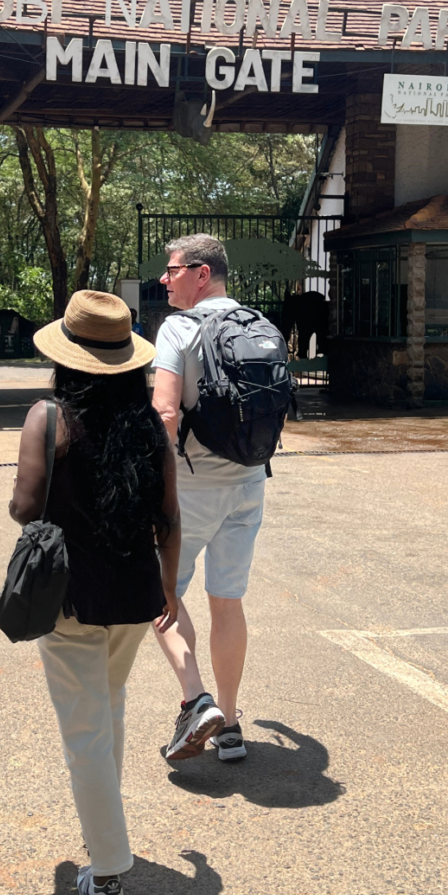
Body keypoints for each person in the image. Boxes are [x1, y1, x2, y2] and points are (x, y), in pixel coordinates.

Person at [10, 289, 180, 895]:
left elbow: (25, 508)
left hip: (70, 597)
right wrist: (169, 584)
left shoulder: (48, 418)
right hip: (136, 592)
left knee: (85, 729)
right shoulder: (147, 423)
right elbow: (170, 515)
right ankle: (102, 839)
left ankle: (108, 874)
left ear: (66, 358)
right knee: (108, 706)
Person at [151, 234, 267, 763]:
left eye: (172, 270)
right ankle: (232, 722)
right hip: (247, 483)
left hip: (190, 488)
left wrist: (154, 475)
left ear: (201, 273)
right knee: (228, 601)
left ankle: (195, 701)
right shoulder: (258, 324)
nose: (164, 279)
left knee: (160, 595)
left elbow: (166, 413)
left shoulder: (179, 327)